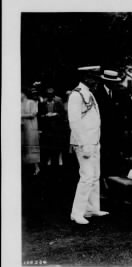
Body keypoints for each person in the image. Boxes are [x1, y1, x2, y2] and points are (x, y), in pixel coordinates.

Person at [68, 66, 109, 225]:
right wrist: (83, 143)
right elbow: (74, 122)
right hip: (84, 142)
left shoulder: (89, 92)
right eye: (94, 78)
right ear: (86, 77)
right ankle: (77, 213)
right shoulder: (76, 95)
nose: (97, 81)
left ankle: (92, 208)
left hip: (94, 140)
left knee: (95, 176)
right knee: (86, 177)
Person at [93, 69, 125, 176]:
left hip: (115, 132)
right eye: (113, 82)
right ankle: (103, 178)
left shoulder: (118, 93)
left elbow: (121, 113)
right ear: (106, 81)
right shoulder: (97, 94)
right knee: (103, 156)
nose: (115, 84)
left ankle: (111, 177)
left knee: (114, 156)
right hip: (102, 132)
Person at [39, 87, 66, 169]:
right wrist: (45, 115)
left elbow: (63, 113)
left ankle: (60, 158)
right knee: (49, 143)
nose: (50, 96)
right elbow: (40, 115)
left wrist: (56, 114)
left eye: (51, 95)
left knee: (58, 143)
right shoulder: (43, 101)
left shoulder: (58, 100)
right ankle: (49, 158)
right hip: (47, 127)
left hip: (57, 126)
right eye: (48, 95)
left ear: (54, 95)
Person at [21, 89, 41, 175]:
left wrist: (21, 115)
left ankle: (37, 167)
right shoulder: (18, 103)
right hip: (22, 127)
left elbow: (33, 113)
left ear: (24, 94)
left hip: (31, 128)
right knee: (23, 147)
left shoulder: (31, 102)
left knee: (32, 147)